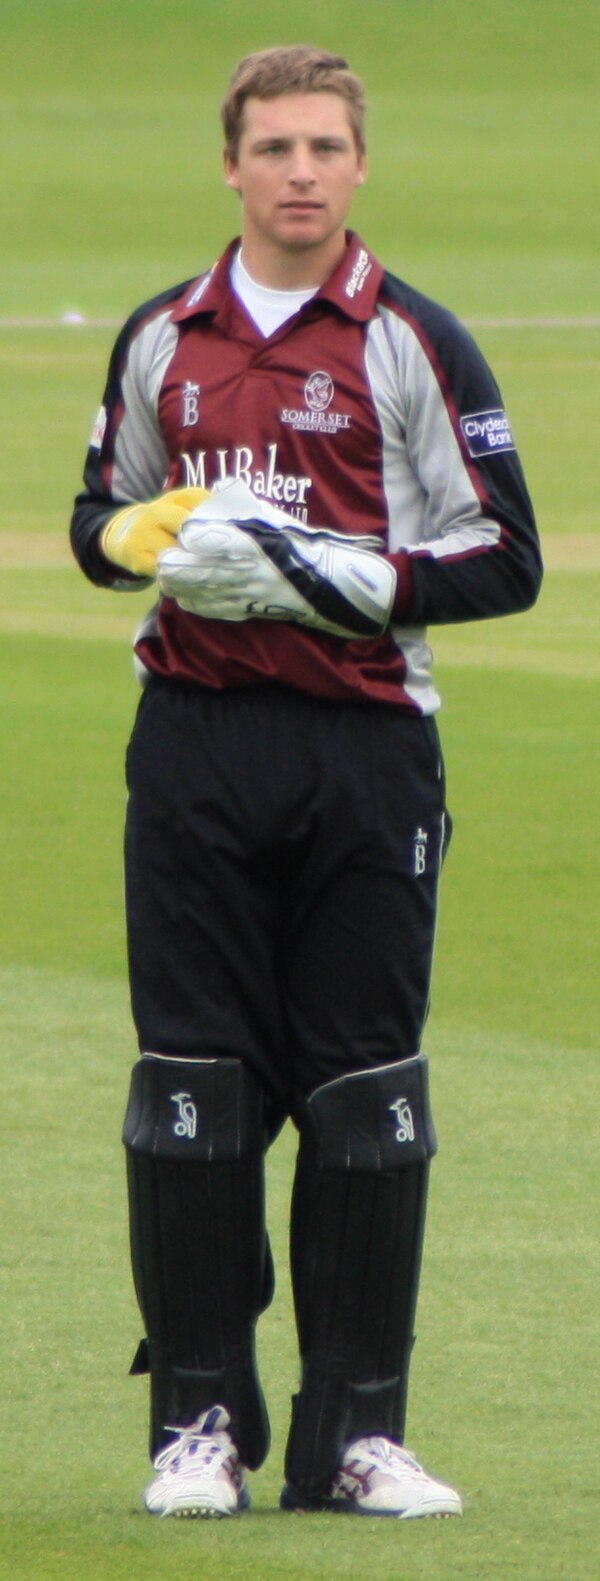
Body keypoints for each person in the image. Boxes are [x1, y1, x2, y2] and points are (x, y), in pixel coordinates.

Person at [70, 44, 542, 1521]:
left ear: (357, 164)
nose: (298, 172)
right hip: (199, 745)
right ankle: (195, 1421)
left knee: (362, 1090)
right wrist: (148, 539)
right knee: (193, 1087)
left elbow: (507, 557)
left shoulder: (417, 338)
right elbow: (94, 519)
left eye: (324, 148)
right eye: (272, 147)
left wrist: (355, 578)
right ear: (230, 165)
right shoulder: (163, 334)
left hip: (364, 748)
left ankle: (356, 1436)